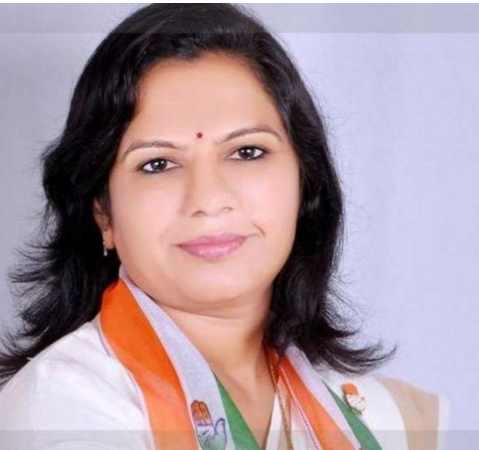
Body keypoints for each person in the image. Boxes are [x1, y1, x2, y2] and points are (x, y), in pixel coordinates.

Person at [0, 4, 449, 450]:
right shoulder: (62, 409)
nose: (209, 199)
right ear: (103, 211)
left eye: (247, 152)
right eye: (158, 164)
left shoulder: (384, 417)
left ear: (305, 181)